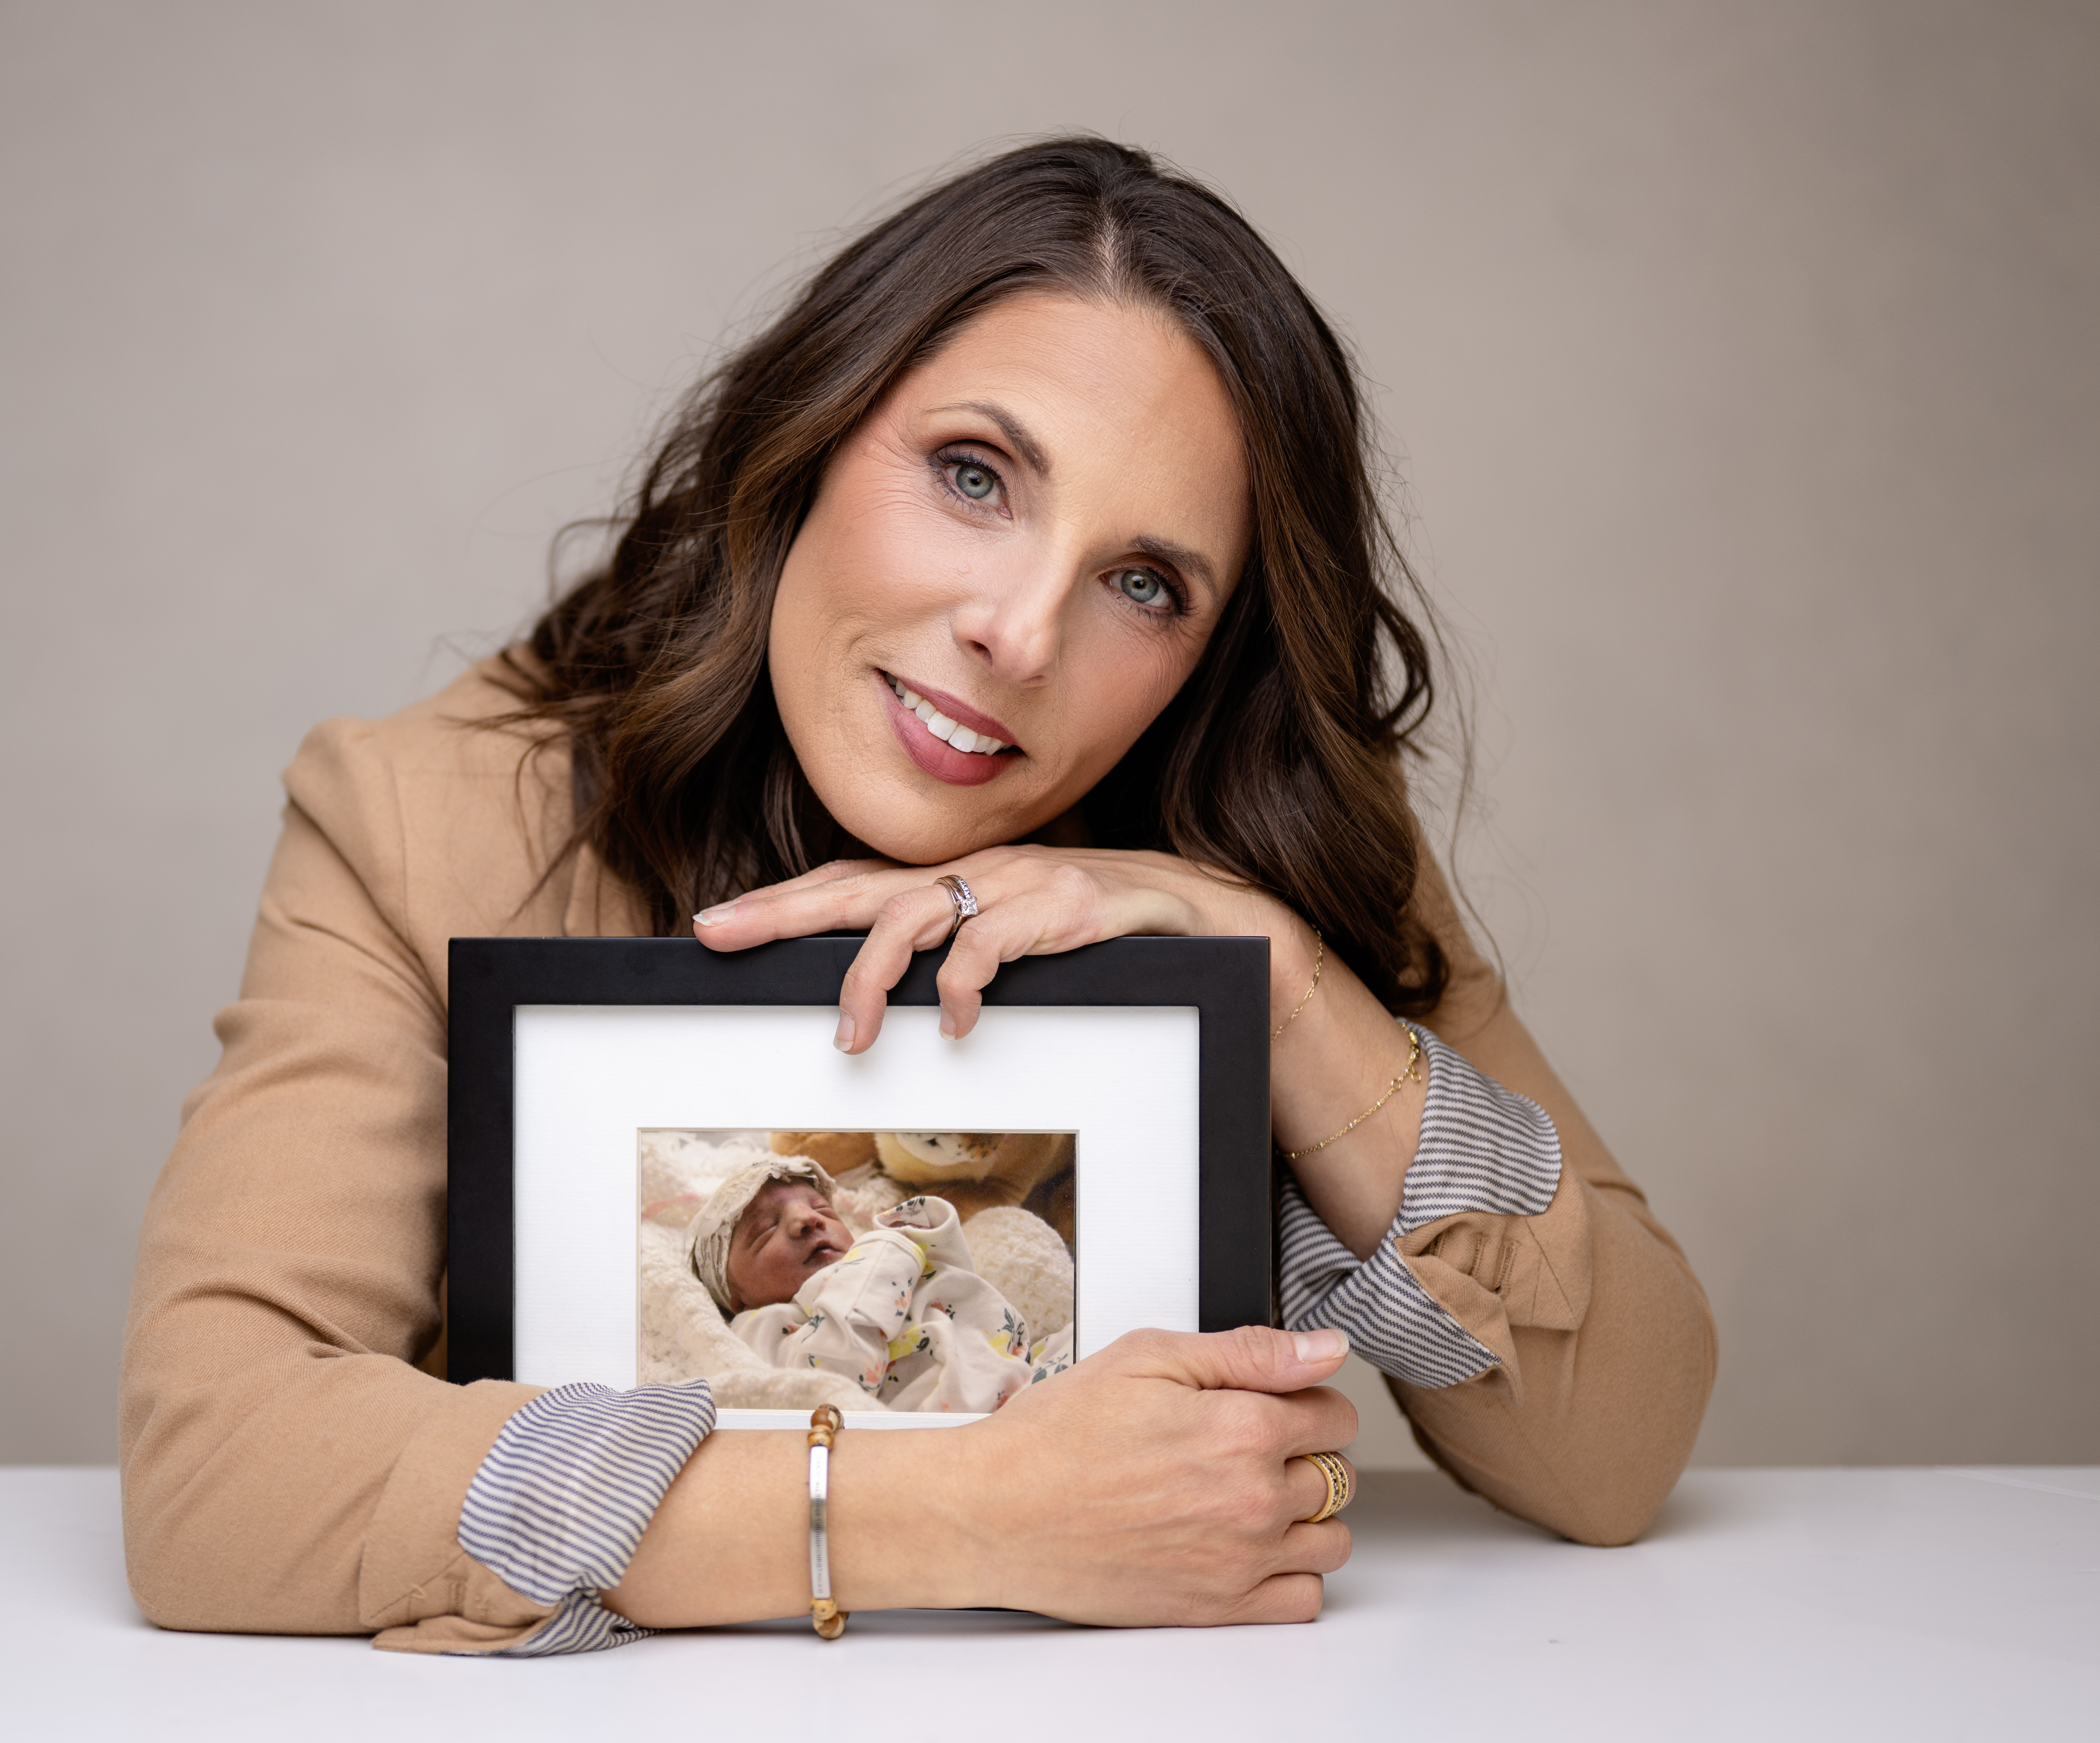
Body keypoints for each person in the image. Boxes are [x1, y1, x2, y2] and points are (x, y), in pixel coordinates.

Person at [119, 136, 1717, 1656]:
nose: (1019, 630)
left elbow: (1614, 1446)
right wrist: (958, 1508)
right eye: (970, 474)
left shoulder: (1245, 851)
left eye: (1143, 582)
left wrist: (1276, 979)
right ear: (809, 432)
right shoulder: (424, 811)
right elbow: (215, 1463)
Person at [690, 1158, 1072, 1411]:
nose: (806, 1219)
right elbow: (834, 1378)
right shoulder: (763, 1324)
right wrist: (884, 1252)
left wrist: (921, 1236)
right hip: (964, 1419)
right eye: (765, 1229)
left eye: (821, 1208)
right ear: (737, 1298)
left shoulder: (880, 1260)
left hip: (1028, 1368)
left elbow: (958, 1287)